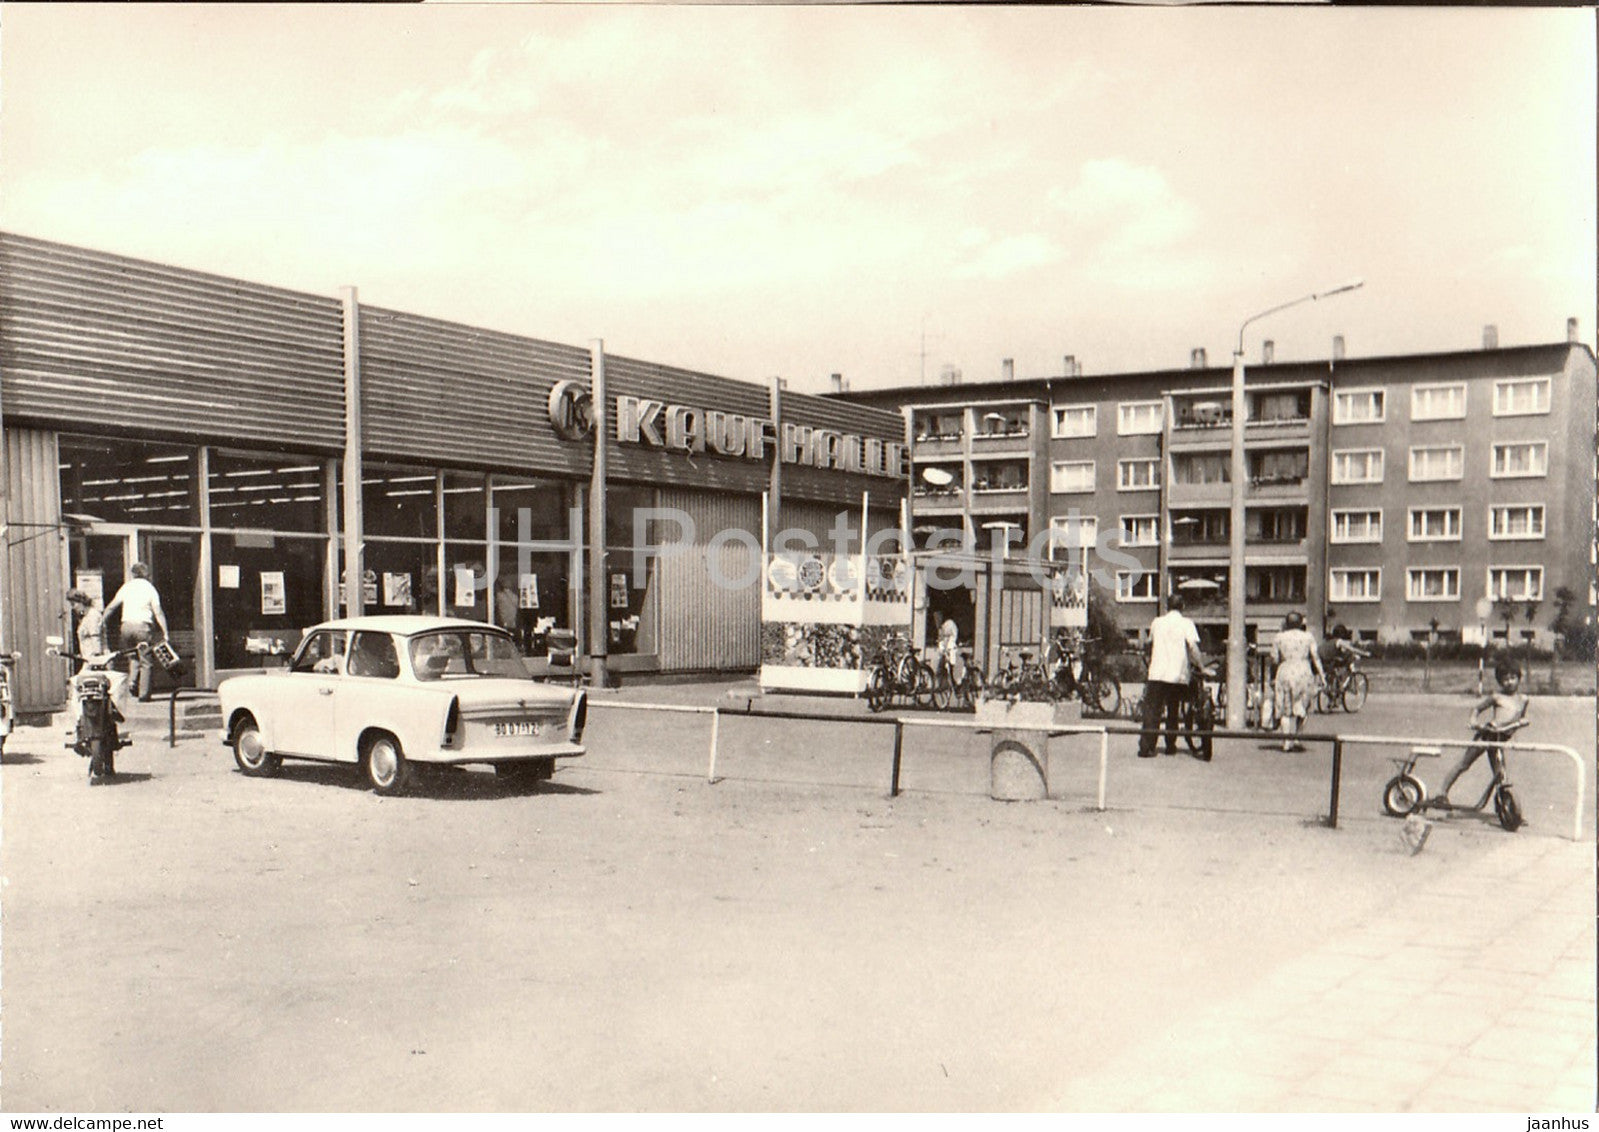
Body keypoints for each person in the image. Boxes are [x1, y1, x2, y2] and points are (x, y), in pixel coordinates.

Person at [1433, 659, 1529, 806]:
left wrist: (1523, 722)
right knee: (1464, 764)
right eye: (1505, 679)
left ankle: (1508, 808)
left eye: (1512, 678)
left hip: (1501, 739)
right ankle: (1441, 793)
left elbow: (1520, 718)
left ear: (1518, 678)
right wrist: (1473, 721)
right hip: (1488, 735)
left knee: (1500, 773)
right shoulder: (1497, 697)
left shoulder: (1523, 699)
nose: (1509, 682)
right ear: (1499, 682)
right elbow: (1477, 709)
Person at [1139, 592, 1203, 758]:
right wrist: (1201, 666)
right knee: (1173, 709)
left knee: (1152, 711)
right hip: (1177, 675)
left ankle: (1147, 747)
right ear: (1182, 607)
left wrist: (1148, 661)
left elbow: (1148, 644)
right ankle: (1170, 745)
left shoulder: (1157, 622)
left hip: (1157, 673)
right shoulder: (1187, 624)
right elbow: (1193, 649)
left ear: (1167, 606)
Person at [102, 563, 168, 702]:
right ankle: (144, 694)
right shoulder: (150, 588)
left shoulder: (127, 587)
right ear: (146, 574)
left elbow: (112, 606)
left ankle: (132, 683)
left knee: (133, 657)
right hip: (142, 627)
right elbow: (158, 612)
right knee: (146, 661)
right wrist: (165, 632)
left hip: (126, 627)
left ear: (133, 574)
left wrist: (102, 620)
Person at [1271, 611, 1325, 752]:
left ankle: (1286, 741)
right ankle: (1297, 736)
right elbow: (1315, 657)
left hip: (1286, 670)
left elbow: (1274, 659)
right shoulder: (1308, 637)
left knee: (1285, 708)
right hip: (1304, 671)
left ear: (1286, 623)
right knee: (1303, 706)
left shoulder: (1279, 637)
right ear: (1301, 623)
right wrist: (1322, 675)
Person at [67, 589, 107, 663]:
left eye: (73, 604)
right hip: (89, 659)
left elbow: (95, 637)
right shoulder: (86, 617)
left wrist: (97, 659)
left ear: (81, 602)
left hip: (95, 660)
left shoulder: (92, 616)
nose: (73, 607)